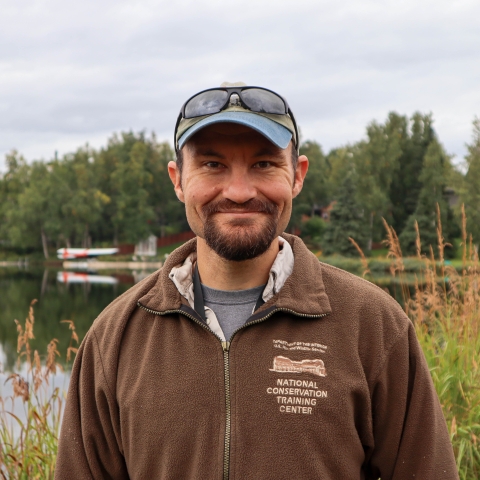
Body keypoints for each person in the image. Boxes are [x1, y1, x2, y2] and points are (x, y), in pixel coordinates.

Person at [55, 82, 458, 479]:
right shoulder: (115, 337)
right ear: (178, 180)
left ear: (297, 175)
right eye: (213, 165)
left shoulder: (374, 325)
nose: (239, 191)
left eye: (264, 164)